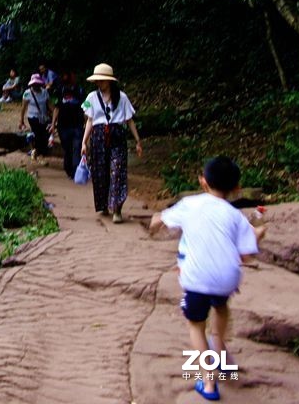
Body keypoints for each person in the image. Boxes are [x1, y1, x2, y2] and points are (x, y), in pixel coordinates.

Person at [149, 157, 259, 402]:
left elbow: (160, 220)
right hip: (227, 279)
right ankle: (220, 347)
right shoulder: (236, 216)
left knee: (196, 326)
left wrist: (154, 223)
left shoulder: (190, 204)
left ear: (203, 182)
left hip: (197, 278)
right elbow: (248, 256)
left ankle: (209, 383)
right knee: (220, 307)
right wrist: (258, 234)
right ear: (237, 188)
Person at [80, 63, 143, 223]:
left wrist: (137, 140)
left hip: (117, 135)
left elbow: (129, 120)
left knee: (118, 171)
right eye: (97, 81)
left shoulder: (122, 97)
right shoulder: (90, 98)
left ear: (109, 81)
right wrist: (84, 142)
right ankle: (103, 205)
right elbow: (89, 120)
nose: (98, 83)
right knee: (100, 172)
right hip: (98, 136)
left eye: (101, 80)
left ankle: (117, 209)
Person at [19, 73, 55, 158]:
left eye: (37, 84)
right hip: (32, 117)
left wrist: (55, 115)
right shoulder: (27, 93)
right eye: (34, 84)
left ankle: (41, 150)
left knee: (44, 134)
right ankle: (37, 151)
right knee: (37, 134)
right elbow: (23, 107)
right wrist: (21, 121)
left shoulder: (44, 92)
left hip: (43, 117)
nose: (35, 86)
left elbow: (50, 105)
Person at [55, 79, 85, 179]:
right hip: (63, 127)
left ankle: (75, 170)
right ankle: (69, 169)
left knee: (77, 148)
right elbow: (56, 109)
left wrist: (87, 122)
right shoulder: (61, 97)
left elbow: (86, 109)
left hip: (77, 126)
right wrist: (52, 123)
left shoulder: (81, 95)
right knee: (67, 149)